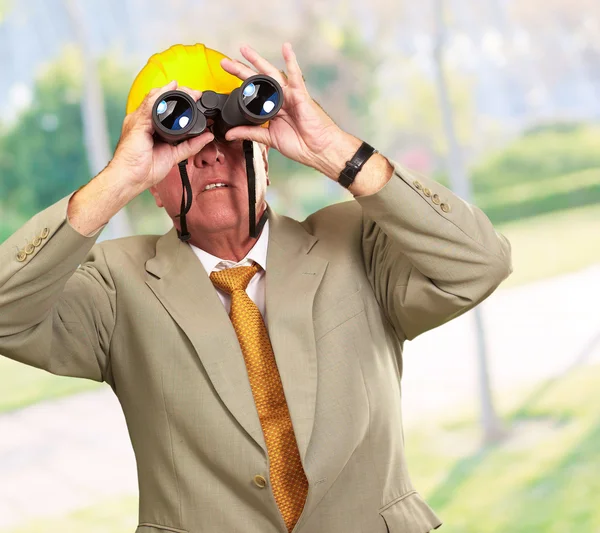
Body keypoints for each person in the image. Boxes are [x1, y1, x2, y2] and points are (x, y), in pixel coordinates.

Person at [0, 42, 512, 533]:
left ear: (265, 154)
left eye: (232, 132)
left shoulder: (358, 242)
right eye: (178, 139)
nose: (209, 154)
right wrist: (116, 180)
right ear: (152, 186)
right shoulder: (116, 287)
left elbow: (479, 263)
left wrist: (334, 150)